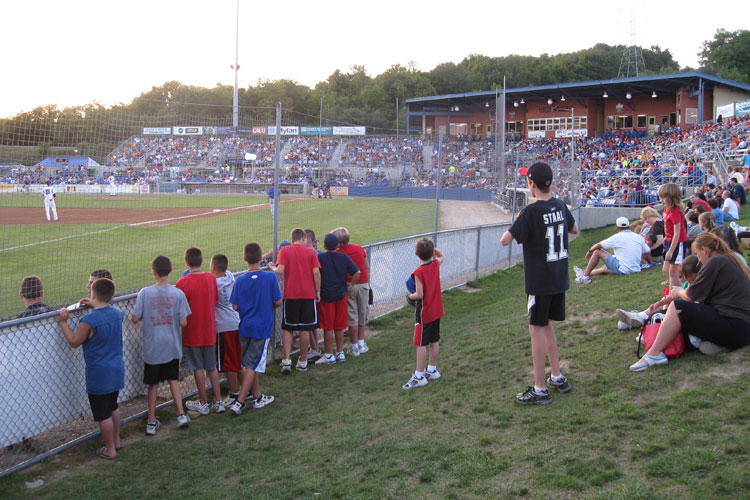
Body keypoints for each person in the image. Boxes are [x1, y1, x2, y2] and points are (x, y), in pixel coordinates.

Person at [500, 162, 579, 404]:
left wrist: (520, 219)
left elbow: (505, 240)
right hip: (558, 278)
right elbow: (575, 229)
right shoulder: (559, 205)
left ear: (532, 184)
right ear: (551, 183)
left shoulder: (531, 212)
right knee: (546, 327)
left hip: (539, 282)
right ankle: (556, 375)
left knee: (536, 330)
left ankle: (540, 389)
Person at [629, 232, 750, 371]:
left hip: (735, 326)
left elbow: (691, 295)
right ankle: (715, 344)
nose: (699, 261)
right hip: (741, 328)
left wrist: (676, 292)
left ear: (704, 250)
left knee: (677, 306)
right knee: (677, 328)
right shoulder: (728, 259)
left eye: (698, 255)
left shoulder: (716, 261)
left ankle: (654, 354)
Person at [57, 278, 123, 459]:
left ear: (93, 294)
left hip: (98, 372)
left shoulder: (88, 320)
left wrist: (63, 322)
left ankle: (110, 449)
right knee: (113, 405)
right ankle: (116, 440)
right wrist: (95, 305)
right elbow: (104, 316)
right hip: (116, 368)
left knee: (102, 413)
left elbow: (74, 342)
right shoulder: (117, 313)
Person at [131, 255, 192, 435]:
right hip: (171, 345)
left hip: (153, 347)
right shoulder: (177, 293)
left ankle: (151, 421)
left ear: (154, 272)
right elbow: (184, 323)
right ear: (171, 271)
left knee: (153, 384)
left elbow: (135, 318)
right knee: (173, 380)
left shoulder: (145, 293)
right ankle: (181, 414)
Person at [228, 243, 282, 415]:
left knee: (250, 362)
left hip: (245, 326)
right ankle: (240, 401)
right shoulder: (269, 278)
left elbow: (235, 305)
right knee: (253, 364)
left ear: (245, 259)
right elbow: (278, 301)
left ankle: (257, 396)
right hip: (261, 327)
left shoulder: (240, 280)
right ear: (261, 258)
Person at [176, 247, 223, 415]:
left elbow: (179, 308)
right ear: (202, 261)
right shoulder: (211, 278)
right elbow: (215, 299)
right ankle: (218, 401)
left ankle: (204, 402)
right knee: (212, 367)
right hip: (209, 329)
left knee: (198, 368)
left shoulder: (182, 283)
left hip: (192, 331)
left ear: (187, 263)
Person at [269, 228, 321, 374]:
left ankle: (286, 361)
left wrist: (272, 267)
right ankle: (303, 361)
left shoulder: (285, 251)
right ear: (303, 238)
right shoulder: (311, 252)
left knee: (288, 328)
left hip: (291, 295)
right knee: (305, 328)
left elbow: (279, 271)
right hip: (308, 295)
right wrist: (318, 291)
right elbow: (316, 272)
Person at [616, 254, 701, 331]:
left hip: (685, 313)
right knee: (666, 300)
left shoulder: (699, 286)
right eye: (683, 276)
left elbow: (687, 297)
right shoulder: (688, 283)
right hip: (677, 310)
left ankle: (645, 320)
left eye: (687, 276)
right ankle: (641, 318)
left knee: (671, 304)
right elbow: (673, 296)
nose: (685, 278)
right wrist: (659, 303)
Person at [403, 238, 445, 390]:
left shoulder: (418, 272)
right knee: (434, 340)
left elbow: (419, 294)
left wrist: (410, 296)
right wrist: (433, 250)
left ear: (416, 253)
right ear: (431, 252)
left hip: (424, 312)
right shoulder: (435, 264)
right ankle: (432, 369)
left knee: (420, 344)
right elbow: (441, 257)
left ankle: (419, 375)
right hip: (436, 310)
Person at [315, 233, 360, 365]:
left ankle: (329, 354)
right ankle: (340, 353)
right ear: (337, 246)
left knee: (328, 327)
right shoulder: (343, 257)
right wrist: (350, 285)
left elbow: (316, 273)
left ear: (324, 246)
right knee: (339, 327)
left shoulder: (320, 257)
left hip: (326, 296)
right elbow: (357, 272)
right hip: (341, 295)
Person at [573, 217, 650, 283]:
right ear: (628, 226)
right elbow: (647, 250)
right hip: (636, 268)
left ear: (617, 228)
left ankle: (584, 276)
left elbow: (599, 245)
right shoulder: (638, 237)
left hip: (624, 268)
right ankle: (584, 272)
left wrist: (589, 252)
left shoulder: (617, 237)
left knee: (597, 252)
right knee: (604, 268)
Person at [332, 226, 371, 356]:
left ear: (339, 242)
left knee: (352, 316)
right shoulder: (359, 248)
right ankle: (361, 343)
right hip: (363, 284)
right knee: (362, 313)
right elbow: (366, 266)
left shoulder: (338, 254)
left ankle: (354, 347)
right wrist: (367, 282)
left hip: (349, 286)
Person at [210, 254, 242, 406]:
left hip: (224, 327)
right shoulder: (229, 276)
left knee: (229, 363)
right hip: (235, 321)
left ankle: (234, 394)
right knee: (237, 359)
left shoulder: (214, 284)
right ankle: (246, 391)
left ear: (213, 267)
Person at [659, 183, 688, 287]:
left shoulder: (675, 211)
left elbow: (677, 232)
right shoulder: (667, 209)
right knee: (666, 269)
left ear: (668, 198)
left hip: (677, 243)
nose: (660, 200)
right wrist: (666, 238)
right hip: (669, 241)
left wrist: (671, 250)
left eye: (662, 197)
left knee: (672, 273)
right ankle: (677, 291)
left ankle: (675, 295)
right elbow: (667, 226)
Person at [302, 230, 323, 363]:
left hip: (309, 292)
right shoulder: (313, 252)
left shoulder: (312, 253)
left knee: (307, 324)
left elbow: (316, 272)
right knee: (311, 324)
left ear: (307, 239)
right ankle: (314, 348)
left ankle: (314, 349)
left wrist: (317, 291)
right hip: (312, 292)